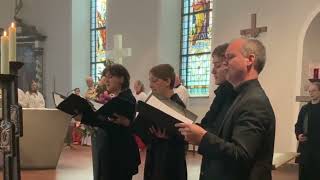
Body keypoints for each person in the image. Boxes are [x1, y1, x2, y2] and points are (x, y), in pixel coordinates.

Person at [176, 38, 276, 180]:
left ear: (250, 60)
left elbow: (241, 155)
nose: (225, 63)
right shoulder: (241, 95)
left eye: (229, 57)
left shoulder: (253, 101)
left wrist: (203, 138)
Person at [79, 64, 140, 180]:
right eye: (106, 77)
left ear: (121, 79)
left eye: (110, 76)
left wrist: (83, 117)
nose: (107, 80)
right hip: (116, 152)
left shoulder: (124, 100)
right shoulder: (121, 98)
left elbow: (105, 122)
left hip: (121, 155)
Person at [197, 43, 237, 180]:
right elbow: (207, 123)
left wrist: (200, 135)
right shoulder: (222, 94)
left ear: (230, 65)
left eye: (217, 65)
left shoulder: (236, 97)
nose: (213, 71)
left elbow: (229, 142)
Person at [141, 64, 187, 180]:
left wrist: (168, 137)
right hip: (155, 155)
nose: (150, 85)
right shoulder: (156, 103)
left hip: (169, 161)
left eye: (155, 81)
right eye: (150, 81)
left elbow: (184, 139)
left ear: (167, 81)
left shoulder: (177, 105)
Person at [295, 82, 320, 180]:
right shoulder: (305, 109)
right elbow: (298, 125)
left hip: (318, 150)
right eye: (309, 91)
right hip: (305, 149)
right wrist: (299, 135)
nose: (311, 93)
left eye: (314, 91)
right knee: (304, 176)